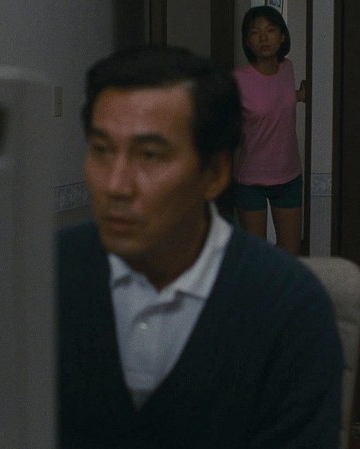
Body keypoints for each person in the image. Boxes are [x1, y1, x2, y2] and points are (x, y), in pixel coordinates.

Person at [57, 46, 343, 449]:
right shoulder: (46, 274)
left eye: (150, 156)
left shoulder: (290, 307)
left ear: (214, 174)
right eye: (101, 150)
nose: (116, 185)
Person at [233, 6, 306, 255]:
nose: (263, 38)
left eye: (270, 30)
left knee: (290, 255)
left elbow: (275, 98)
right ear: (247, 41)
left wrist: (299, 96)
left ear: (282, 36)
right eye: (255, 32)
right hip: (251, 179)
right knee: (257, 257)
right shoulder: (238, 80)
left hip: (289, 175)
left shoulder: (287, 68)